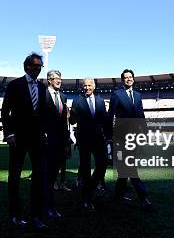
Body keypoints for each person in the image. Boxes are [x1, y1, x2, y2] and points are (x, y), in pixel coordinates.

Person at [1, 52, 48, 229]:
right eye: (35, 65)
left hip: (37, 139)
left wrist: (44, 132)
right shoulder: (15, 85)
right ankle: (15, 214)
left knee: (39, 176)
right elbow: (5, 111)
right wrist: (9, 133)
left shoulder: (42, 88)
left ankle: (36, 215)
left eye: (40, 66)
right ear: (26, 66)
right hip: (18, 137)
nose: (38, 68)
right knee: (14, 176)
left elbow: (42, 113)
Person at [107, 69, 153, 211]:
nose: (128, 79)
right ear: (122, 80)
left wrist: (144, 133)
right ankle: (143, 197)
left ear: (133, 79)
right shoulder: (117, 94)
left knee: (123, 169)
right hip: (120, 138)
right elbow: (110, 116)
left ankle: (117, 195)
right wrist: (109, 136)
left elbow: (141, 115)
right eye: (126, 78)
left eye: (130, 77)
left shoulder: (138, 95)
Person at [70, 77, 111, 212]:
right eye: (85, 85)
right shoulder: (77, 101)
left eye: (89, 85)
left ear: (94, 86)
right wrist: (72, 115)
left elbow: (104, 120)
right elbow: (72, 122)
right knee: (86, 169)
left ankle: (92, 187)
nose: (86, 87)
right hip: (84, 139)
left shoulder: (100, 101)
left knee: (103, 163)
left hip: (99, 139)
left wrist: (108, 137)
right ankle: (86, 198)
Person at [43, 70, 70, 219]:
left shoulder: (64, 97)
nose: (59, 81)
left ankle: (50, 204)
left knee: (53, 176)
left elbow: (64, 121)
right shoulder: (42, 94)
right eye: (56, 79)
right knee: (46, 175)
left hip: (60, 142)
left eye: (60, 78)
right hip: (46, 141)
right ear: (49, 80)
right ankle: (47, 206)